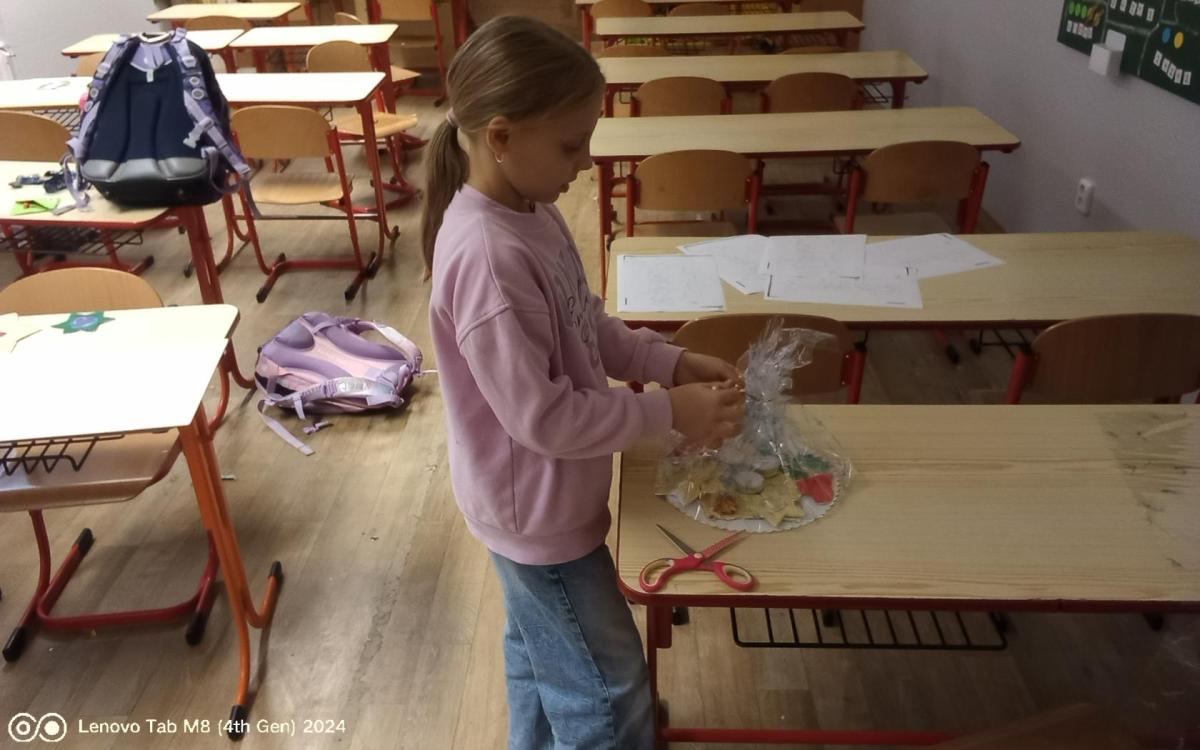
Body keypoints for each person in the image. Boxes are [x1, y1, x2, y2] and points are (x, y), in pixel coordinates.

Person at [424, 16, 745, 749]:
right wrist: (669, 413)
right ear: (500, 138)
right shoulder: (488, 258)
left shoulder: (531, 211)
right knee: (610, 690)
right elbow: (544, 420)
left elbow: (586, 322)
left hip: (545, 497)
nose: (588, 161)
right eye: (572, 145)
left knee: (543, 652)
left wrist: (666, 363)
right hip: (537, 515)